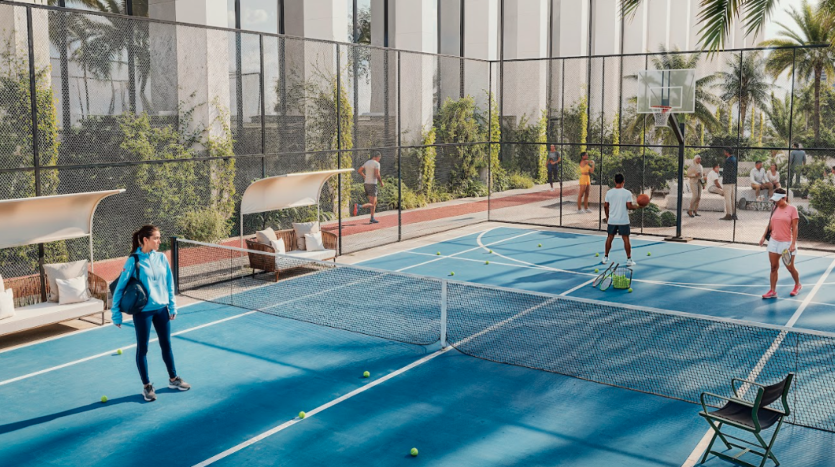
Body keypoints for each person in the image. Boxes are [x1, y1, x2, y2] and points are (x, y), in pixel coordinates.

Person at [111, 225, 190, 402]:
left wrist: (172, 305)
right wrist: (116, 313)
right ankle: (147, 386)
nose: (159, 241)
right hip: (143, 312)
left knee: (166, 345)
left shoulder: (162, 258)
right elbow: (120, 288)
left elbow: (169, 283)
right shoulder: (133, 260)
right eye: (156, 238)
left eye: (159, 237)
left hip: (161, 309)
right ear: (145, 240)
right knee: (143, 348)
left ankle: (173, 379)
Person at [758, 189, 801, 299]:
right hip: (773, 242)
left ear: (784, 198)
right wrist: (763, 236)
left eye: (778, 200)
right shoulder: (774, 208)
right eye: (775, 200)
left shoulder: (792, 209)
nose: (776, 202)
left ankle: (797, 285)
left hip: (786, 244)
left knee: (790, 267)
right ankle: (772, 291)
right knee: (773, 267)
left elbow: (795, 227)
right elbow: (770, 225)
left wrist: (793, 243)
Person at [602, 173, 643, 267]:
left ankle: (605, 257)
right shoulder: (627, 193)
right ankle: (629, 259)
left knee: (609, 238)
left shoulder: (609, 192)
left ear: (614, 181)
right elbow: (629, 206)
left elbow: (605, 206)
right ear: (623, 182)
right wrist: (638, 207)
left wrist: (608, 217)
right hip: (623, 220)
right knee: (626, 239)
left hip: (612, 220)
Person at [355, 151, 384, 224]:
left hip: (366, 184)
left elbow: (359, 170)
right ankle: (359, 206)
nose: (379, 159)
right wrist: (381, 182)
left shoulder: (367, 162)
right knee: (373, 203)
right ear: (377, 157)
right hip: (372, 184)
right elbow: (377, 174)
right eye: (379, 158)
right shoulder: (377, 164)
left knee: (374, 202)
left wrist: (364, 176)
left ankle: (372, 218)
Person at [720, 147, 738, 221]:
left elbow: (726, 171)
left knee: (728, 199)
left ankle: (728, 214)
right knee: (733, 198)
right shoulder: (735, 159)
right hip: (733, 181)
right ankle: (734, 214)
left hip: (727, 182)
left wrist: (723, 176)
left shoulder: (728, 160)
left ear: (727, 152)